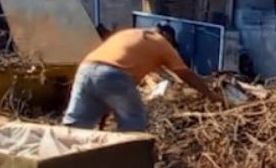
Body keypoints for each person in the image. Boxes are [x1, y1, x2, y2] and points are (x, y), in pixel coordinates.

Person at [63, 24, 216, 132]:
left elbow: (103, 73)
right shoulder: (161, 42)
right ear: (167, 36)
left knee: (75, 125)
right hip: (114, 74)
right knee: (134, 123)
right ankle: (129, 167)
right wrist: (213, 96)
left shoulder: (128, 33)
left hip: (85, 69)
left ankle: (57, 163)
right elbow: (187, 75)